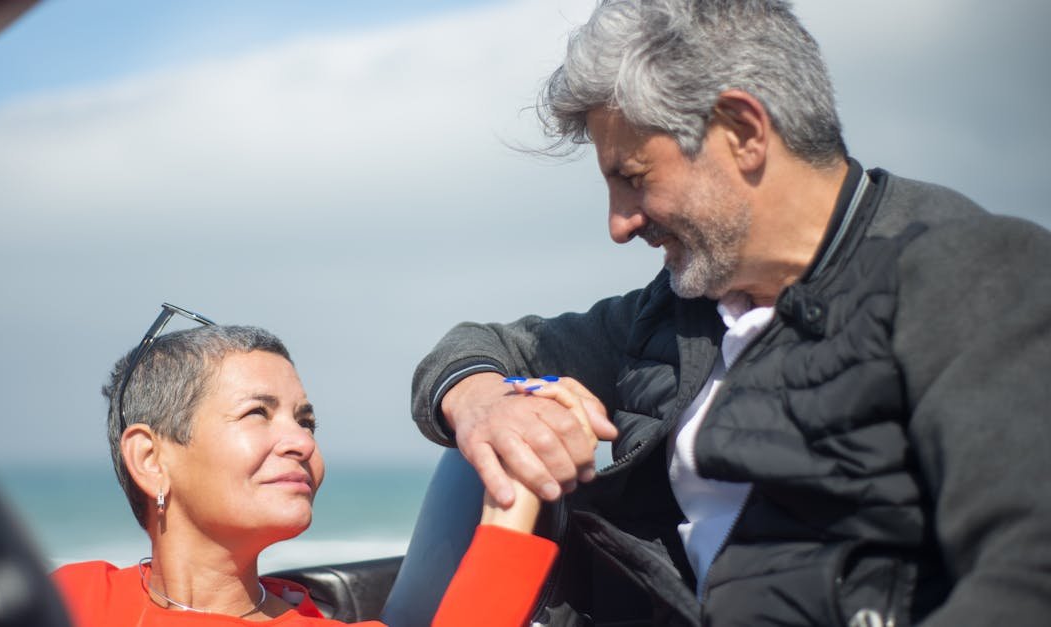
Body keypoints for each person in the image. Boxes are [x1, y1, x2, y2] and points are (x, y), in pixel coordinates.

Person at [410, 1, 1051, 625]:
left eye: (632, 176)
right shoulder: (672, 311)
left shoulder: (972, 276)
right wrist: (484, 403)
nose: (618, 224)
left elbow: (1023, 575)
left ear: (743, 133)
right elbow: (477, 346)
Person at [53, 304, 580, 626]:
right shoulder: (65, 599)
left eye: (307, 422)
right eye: (257, 413)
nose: (300, 442)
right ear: (150, 459)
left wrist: (520, 458)